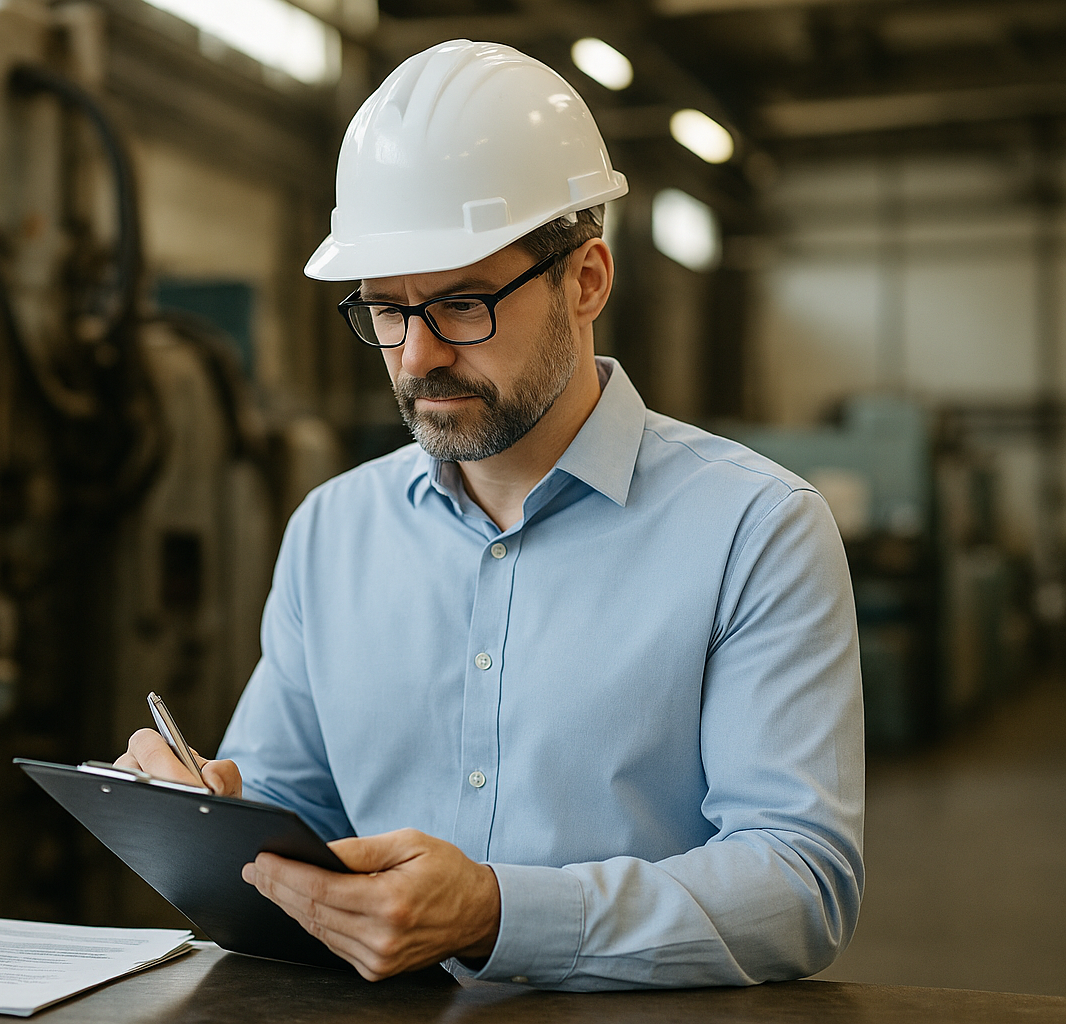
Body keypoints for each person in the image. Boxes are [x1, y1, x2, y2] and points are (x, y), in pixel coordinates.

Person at [118, 39, 863, 991]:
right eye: (387, 310)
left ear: (586, 280)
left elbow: (803, 882)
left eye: (463, 303)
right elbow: (289, 801)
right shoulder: (331, 531)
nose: (418, 357)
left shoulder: (755, 532)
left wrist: (500, 914)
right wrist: (211, 817)